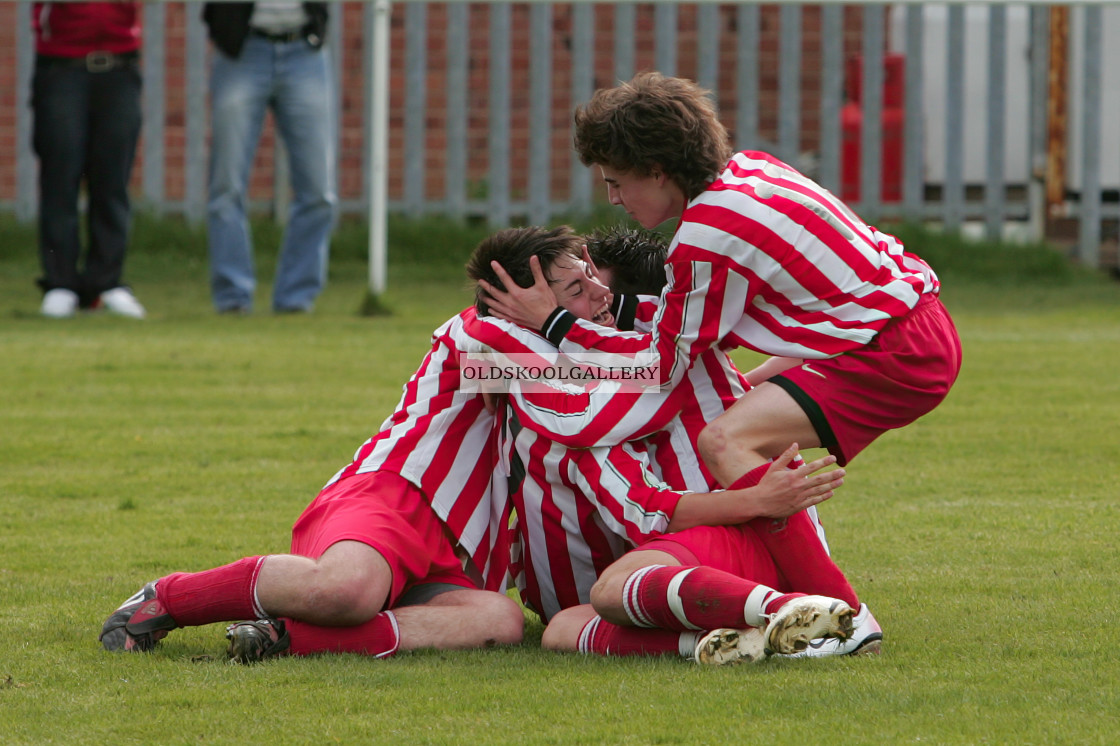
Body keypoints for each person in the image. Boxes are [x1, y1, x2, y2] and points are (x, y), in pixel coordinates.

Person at [479, 72, 963, 509]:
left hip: (889, 352)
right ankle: (790, 586)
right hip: (908, 327)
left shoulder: (705, 236)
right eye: (575, 285)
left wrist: (554, 324)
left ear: (656, 169)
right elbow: (708, 327)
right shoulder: (750, 170)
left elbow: (658, 371)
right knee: (734, 426)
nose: (612, 199)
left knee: (723, 442)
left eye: (616, 182)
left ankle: (831, 604)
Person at [464, 226, 879, 665]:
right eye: (578, 287)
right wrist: (495, 355)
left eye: (595, 278)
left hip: (730, 533)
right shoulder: (583, 382)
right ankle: (734, 638)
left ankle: (812, 615)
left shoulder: (632, 366)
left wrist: (512, 348)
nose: (602, 293)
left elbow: (648, 505)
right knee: (565, 627)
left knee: (607, 592)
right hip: (677, 553)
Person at [100, 304, 522, 662]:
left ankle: (279, 639)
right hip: (390, 495)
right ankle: (167, 599)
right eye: (572, 289)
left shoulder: (569, 362)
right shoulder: (481, 329)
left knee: (499, 619)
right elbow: (482, 332)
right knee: (347, 591)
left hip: (451, 547)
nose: (590, 300)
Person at [202, 2, 337, 314]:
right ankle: (233, 297)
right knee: (226, 186)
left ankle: (296, 298)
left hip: (305, 50)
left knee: (318, 192)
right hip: (242, 49)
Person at [31, 2, 147, 319]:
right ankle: (60, 283)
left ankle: (106, 282)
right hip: (61, 65)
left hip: (120, 64)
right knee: (60, 178)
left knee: (112, 180)